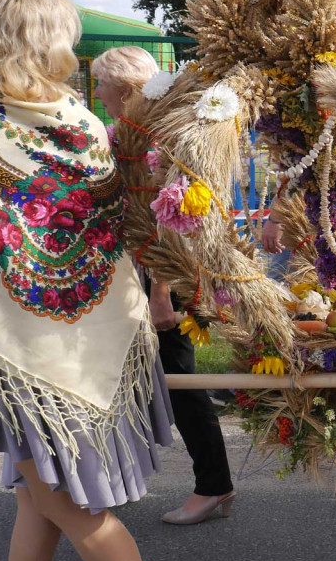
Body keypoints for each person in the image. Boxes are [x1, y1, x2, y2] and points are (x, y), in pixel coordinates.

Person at [0, 0, 171, 561]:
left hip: (21, 352)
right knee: (36, 500)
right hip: (93, 332)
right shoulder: (83, 121)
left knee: (64, 503)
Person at [91, 46, 236, 525]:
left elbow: (173, 221)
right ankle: (116, 478)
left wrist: (159, 293)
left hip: (165, 276)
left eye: (101, 84)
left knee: (180, 382)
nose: (97, 92)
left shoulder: (162, 138)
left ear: (128, 89)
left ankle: (213, 486)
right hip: (139, 272)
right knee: (133, 378)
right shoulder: (128, 132)